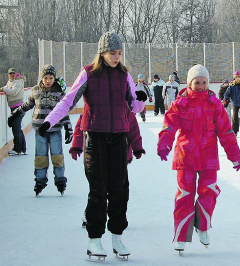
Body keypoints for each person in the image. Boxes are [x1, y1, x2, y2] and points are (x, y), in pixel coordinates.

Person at [37, 32, 147, 260]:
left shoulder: (124, 75)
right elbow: (68, 100)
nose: (116, 57)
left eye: (119, 53)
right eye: (112, 53)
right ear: (102, 53)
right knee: (98, 191)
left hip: (118, 139)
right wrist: (49, 121)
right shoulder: (88, 74)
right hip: (95, 139)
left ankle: (117, 236)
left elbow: (134, 108)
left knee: (119, 190)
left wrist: (140, 97)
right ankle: (94, 240)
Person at [157, 64, 240, 252]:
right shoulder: (180, 104)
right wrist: (164, 144)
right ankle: (181, 236)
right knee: (184, 196)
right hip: (185, 157)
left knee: (209, 192)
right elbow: (169, 126)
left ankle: (202, 226)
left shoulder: (215, 105)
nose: (201, 86)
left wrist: (235, 155)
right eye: (197, 82)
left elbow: (226, 132)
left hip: (208, 158)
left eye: (204, 82)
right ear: (190, 83)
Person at [7, 65, 72, 195]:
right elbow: (27, 105)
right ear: (41, 78)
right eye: (45, 78)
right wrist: (15, 114)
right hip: (39, 130)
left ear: (54, 78)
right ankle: (40, 181)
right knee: (40, 157)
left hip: (55, 130)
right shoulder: (35, 90)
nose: (48, 80)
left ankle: (60, 181)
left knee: (57, 156)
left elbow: (64, 111)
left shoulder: (59, 92)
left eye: (51, 78)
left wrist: (68, 128)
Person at [0, 68, 27, 155]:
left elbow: (14, 92)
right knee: (17, 128)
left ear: (16, 74)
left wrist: (3, 89)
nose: (12, 75)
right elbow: (8, 89)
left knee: (16, 129)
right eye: (10, 73)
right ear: (8, 75)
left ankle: (17, 149)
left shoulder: (18, 82)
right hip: (14, 107)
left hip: (18, 107)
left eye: (13, 73)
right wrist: (4, 88)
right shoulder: (10, 82)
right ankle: (22, 148)